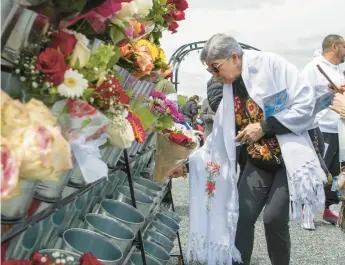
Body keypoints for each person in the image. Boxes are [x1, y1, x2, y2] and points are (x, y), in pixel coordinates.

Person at [171, 34, 327, 265]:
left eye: (216, 68)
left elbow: (306, 104)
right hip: (258, 160)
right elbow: (220, 136)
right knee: (241, 216)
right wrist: (187, 164)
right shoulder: (229, 87)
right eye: (210, 71)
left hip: (288, 158)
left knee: (273, 219)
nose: (215, 76)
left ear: (234, 57)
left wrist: (264, 127)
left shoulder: (272, 65)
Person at [302, 34, 345, 227]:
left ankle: (330, 208)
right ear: (335, 47)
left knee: (337, 172)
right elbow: (302, 95)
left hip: (339, 126)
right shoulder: (313, 68)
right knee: (319, 170)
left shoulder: (339, 70)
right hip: (320, 127)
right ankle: (307, 210)